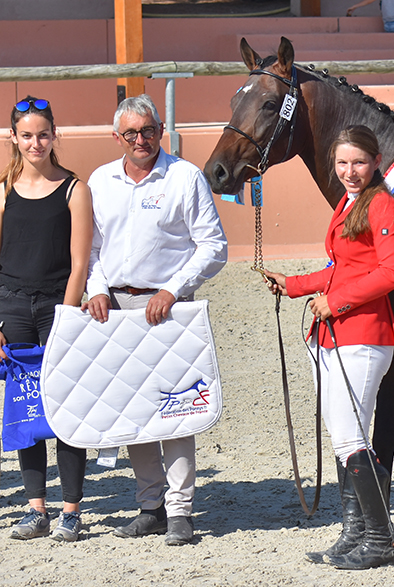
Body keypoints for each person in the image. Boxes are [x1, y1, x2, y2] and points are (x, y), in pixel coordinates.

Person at [82, 94, 227, 546]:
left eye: (148, 130)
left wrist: (172, 289)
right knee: (135, 410)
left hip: (170, 310)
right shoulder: (100, 181)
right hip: (118, 311)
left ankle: (181, 509)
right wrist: (98, 290)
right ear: (116, 137)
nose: (140, 139)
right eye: (130, 133)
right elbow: (92, 251)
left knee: (177, 406)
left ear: (160, 130)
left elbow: (213, 246)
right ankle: (151, 505)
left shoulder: (185, 177)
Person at [264, 125, 394, 570]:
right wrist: (294, 285)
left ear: (376, 161)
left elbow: (392, 273)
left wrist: (336, 302)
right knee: (348, 439)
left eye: (358, 162)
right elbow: (342, 268)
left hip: (363, 335)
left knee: (350, 439)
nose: (349, 171)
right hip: (334, 334)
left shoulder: (382, 204)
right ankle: (356, 532)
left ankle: (379, 538)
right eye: (342, 163)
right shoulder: (349, 203)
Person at [0, 96, 93, 542]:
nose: (35, 143)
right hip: (14, 310)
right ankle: (36, 508)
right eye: (26, 135)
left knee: (67, 409)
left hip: (60, 310)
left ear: (55, 136)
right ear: (12, 139)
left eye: (43, 134)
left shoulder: (76, 189)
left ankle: (71, 510)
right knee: (27, 411)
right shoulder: (3, 190)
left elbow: (80, 264)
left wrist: (67, 317)